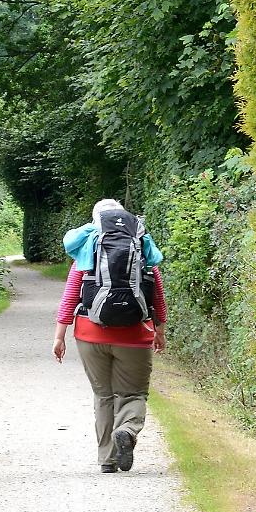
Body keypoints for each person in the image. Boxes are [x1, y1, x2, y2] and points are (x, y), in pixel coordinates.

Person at [52, 199, 167, 473]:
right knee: (133, 393)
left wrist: (59, 336)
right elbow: (157, 293)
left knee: (103, 395)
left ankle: (107, 459)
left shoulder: (86, 249)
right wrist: (159, 330)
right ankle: (127, 430)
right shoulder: (141, 246)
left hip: (90, 333)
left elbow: (70, 297)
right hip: (135, 335)